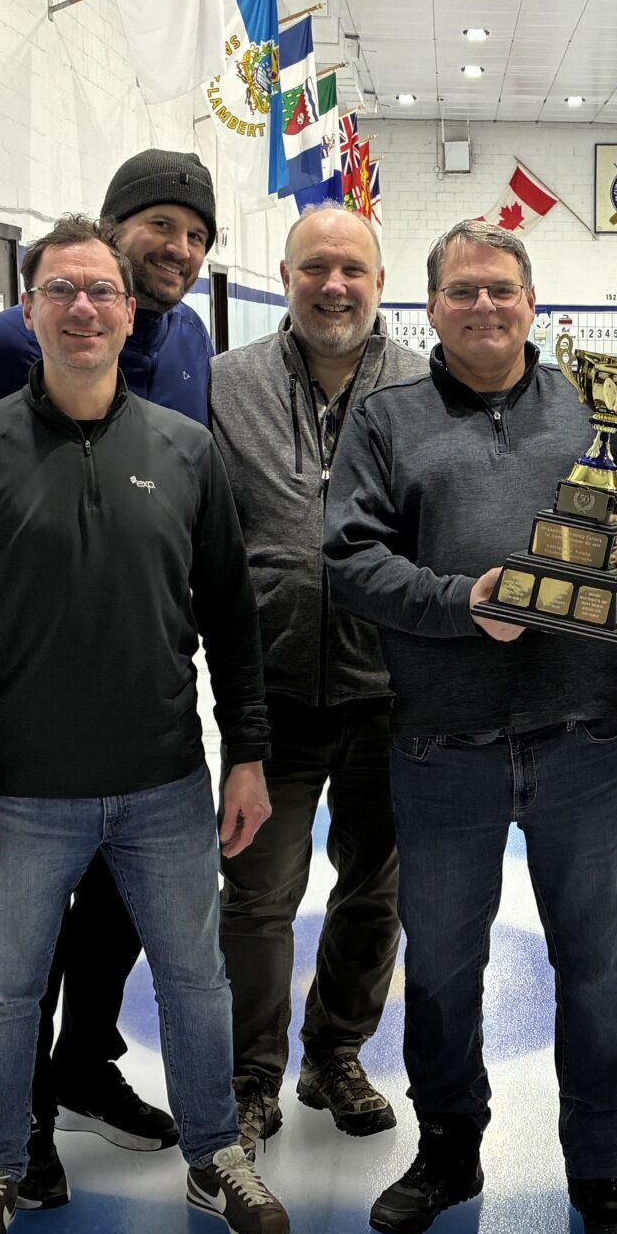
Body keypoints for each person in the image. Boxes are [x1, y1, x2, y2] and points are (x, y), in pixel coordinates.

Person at [0, 216, 283, 1234]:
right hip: (22, 792)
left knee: (196, 984)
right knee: (7, 990)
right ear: (29, 314)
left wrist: (244, 753)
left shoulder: (185, 449)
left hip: (164, 783)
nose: (83, 308)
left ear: (131, 314)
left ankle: (215, 1153)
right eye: (61, 291)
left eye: (102, 292)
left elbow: (229, 617)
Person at [325, 221, 617, 1234]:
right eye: (462, 292)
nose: (484, 308)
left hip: (578, 736)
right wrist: (454, 602)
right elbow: (348, 558)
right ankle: (448, 1150)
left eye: (501, 290)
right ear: (429, 307)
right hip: (443, 744)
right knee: (440, 965)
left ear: (532, 303)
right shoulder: (387, 418)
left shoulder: (590, 406)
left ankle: (599, 1169)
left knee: (595, 964)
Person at [0, 150, 220, 1205]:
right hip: (27, 714)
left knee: (123, 912)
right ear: (113, 237)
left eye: (193, 233)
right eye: (156, 226)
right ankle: (20, 1128)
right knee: (23, 949)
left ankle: (84, 1065)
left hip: (145, 719)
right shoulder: (6, 340)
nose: (175, 247)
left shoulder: (193, 343)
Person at [209, 206, 421, 1153]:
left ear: (381, 282)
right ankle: (250, 1074)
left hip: (394, 692)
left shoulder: (428, 385)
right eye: (314, 269)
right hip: (272, 696)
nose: (334, 286)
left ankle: (336, 1052)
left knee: (375, 891)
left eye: (353, 269)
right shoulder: (224, 385)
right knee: (257, 893)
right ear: (284, 275)